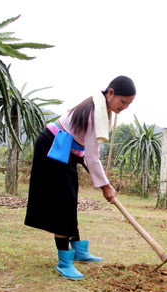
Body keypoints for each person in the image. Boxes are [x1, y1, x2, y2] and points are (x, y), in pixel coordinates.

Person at [24, 75, 136, 280]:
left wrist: (100, 178)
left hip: (69, 151)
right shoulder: (95, 112)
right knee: (63, 203)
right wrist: (106, 186)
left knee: (70, 199)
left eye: (129, 104)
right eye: (123, 101)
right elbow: (93, 157)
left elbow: (88, 150)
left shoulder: (102, 108)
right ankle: (64, 261)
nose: (125, 106)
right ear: (110, 93)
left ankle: (78, 249)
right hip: (53, 147)